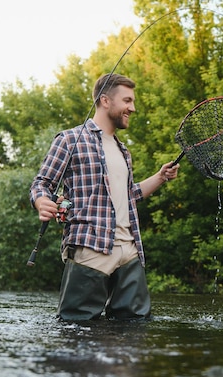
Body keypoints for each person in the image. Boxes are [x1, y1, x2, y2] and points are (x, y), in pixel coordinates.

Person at [30, 73, 180, 321]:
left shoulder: (124, 151)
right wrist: (41, 202)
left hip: (129, 250)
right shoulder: (69, 139)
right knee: (76, 328)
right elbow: (41, 183)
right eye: (127, 100)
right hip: (91, 247)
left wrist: (161, 176)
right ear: (105, 101)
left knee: (135, 328)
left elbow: (130, 196)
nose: (132, 108)